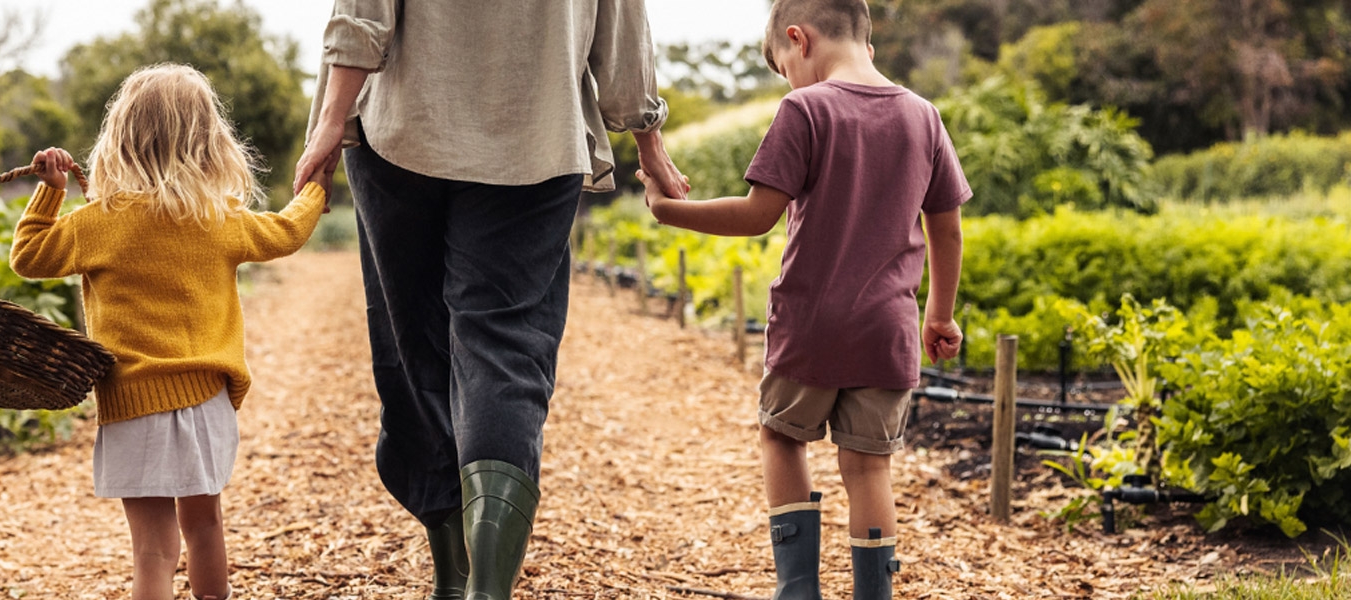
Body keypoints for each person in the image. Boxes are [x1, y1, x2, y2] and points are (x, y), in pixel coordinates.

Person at [293, 2, 689, 599]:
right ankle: (488, 588)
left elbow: (362, 11)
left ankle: (453, 579)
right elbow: (623, 27)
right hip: (540, 133)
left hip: (404, 127)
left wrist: (329, 120)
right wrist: (647, 138)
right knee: (505, 346)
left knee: (415, 343)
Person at [636, 1, 969, 598]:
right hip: (888, 328)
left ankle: (798, 591)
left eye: (782, 64)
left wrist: (668, 210)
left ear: (799, 39)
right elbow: (946, 228)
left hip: (811, 324)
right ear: (866, 42)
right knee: (868, 466)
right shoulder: (924, 116)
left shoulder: (806, 108)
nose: (786, 78)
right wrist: (939, 314)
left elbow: (757, 215)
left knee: (783, 436)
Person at [10, 64, 328, 600]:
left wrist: (51, 193)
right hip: (206, 400)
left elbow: (27, 256)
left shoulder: (98, 222)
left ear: (119, 140)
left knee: (153, 549)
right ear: (208, 143)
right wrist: (317, 183)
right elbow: (288, 231)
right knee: (204, 527)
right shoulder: (217, 218)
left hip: (132, 403)